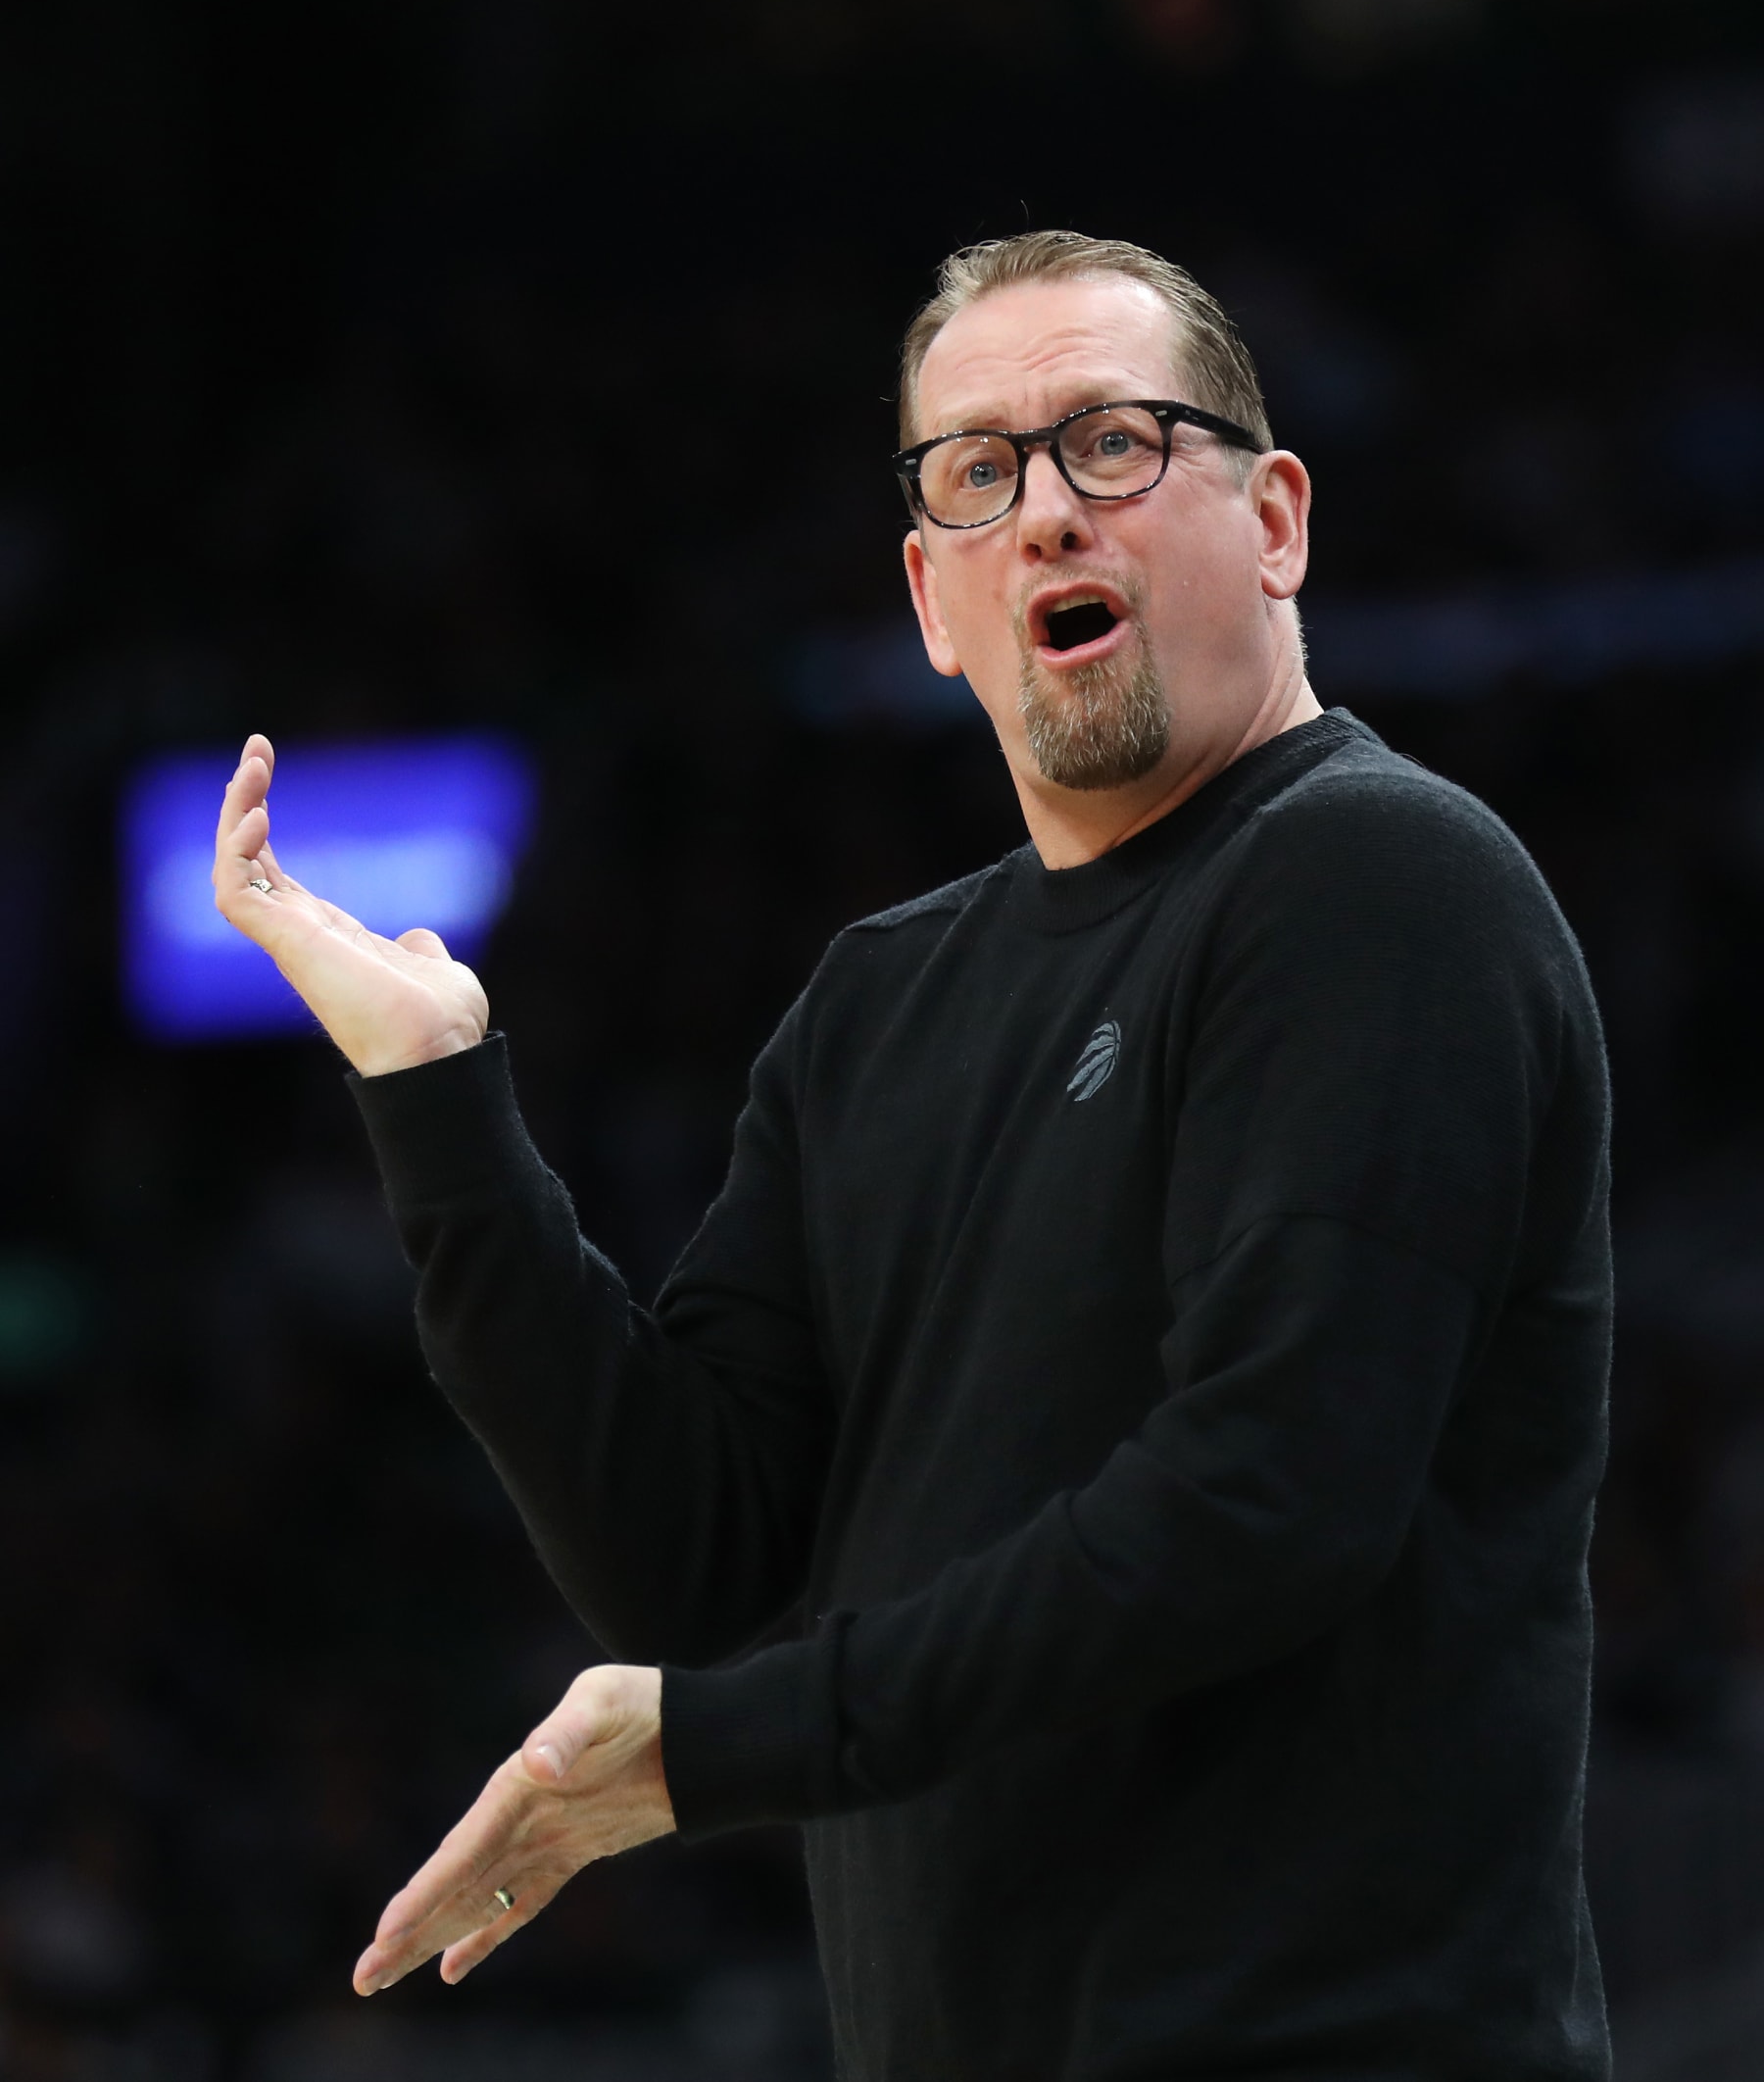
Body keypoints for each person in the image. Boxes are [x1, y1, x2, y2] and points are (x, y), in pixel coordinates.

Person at [213, 230, 1613, 2081]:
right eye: (977, 473)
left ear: (1274, 520)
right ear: (932, 600)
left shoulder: (1381, 880)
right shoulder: (876, 1005)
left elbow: (1269, 1498)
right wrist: (440, 1106)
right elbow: (689, 1556)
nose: (1047, 512)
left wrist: (722, 1744)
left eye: (1112, 441)